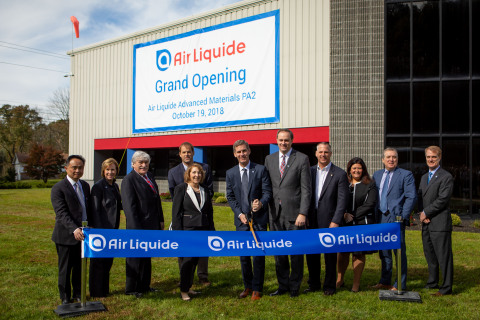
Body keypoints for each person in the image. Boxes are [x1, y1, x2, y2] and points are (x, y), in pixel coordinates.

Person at [264, 129, 311, 298]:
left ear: (292, 141)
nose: (283, 143)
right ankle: (282, 285)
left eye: (286, 140)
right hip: (275, 214)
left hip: (295, 215)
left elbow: (306, 189)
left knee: (296, 253)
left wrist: (303, 213)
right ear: (276, 140)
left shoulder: (302, 158)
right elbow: (268, 186)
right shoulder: (269, 159)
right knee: (279, 253)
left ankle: (294, 287)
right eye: (281, 140)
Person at [226, 140, 272, 301]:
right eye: (238, 152)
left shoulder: (260, 170)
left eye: (244, 151)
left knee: (258, 255)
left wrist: (261, 203)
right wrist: (239, 214)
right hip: (241, 221)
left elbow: (267, 192)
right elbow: (230, 197)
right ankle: (248, 286)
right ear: (234, 154)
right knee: (244, 256)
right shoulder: (230, 173)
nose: (242, 154)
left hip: (258, 220)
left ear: (249, 151)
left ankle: (257, 289)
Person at [304, 142, 349, 296]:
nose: (323, 155)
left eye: (326, 152)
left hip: (330, 222)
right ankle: (314, 283)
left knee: (330, 256)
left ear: (331, 154)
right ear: (316, 154)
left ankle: (329, 286)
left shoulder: (340, 174)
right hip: (311, 220)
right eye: (320, 152)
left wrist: (336, 221)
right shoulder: (308, 172)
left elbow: (342, 201)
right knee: (311, 254)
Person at [168, 142, 213, 286]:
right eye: (184, 152)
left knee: (202, 248)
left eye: (189, 152)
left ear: (193, 153)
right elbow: (174, 195)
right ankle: (185, 279)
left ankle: (202, 276)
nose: (187, 154)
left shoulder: (204, 168)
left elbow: (209, 190)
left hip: (202, 217)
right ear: (180, 154)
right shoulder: (173, 172)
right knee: (185, 250)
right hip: (185, 219)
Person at [372, 147, 417, 291]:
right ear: (383, 160)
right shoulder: (377, 175)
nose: (391, 160)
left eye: (394, 157)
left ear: (397, 159)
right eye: (388, 157)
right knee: (384, 252)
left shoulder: (405, 175)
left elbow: (412, 196)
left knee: (399, 252)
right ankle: (385, 281)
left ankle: (400, 284)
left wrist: (403, 216)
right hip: (380, 217)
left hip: (396, 218)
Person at [121, 151, 164, 298]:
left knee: (146, 257)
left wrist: (161, 220)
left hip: (151, 224)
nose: (144, 165)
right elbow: (129, 207)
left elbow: (157, 200)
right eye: (140, 162)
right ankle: (132, 289)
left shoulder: (149, 177)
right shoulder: (129, 180)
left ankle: (145, 286)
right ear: (133, 164)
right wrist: (135, 229)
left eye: (146, 162)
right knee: (135, 258)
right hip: (137, 226)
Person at [171, 163, 215, 301]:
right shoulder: (181, 189)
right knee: (187, 261)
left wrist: (211, 231)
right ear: (189, 174)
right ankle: (183, 291)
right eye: (194, 172)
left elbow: (210, 213)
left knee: (195, 260)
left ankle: (189, 287)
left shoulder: (205, 190)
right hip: (187, 231)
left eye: (199, 173)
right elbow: (176, 213)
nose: (197, 175)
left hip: (202, 230)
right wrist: (178, 233)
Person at [51, 155, 90, 305]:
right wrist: (74, 229)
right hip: (66, 236)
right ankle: (65, 297)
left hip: (84, 235)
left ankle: (79, 294)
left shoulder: (85, 186)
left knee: (79, 267)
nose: (77, 170)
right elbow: (61, 213)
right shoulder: (58, 188)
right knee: (66, 269)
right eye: (74, 167)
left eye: (80, 167)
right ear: (66, 168)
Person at [336, 157, 377, 293]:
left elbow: (370, 203)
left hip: (361, 223)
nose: (356, 170)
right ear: (349, 170)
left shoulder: (369, 184)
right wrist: (344, 214)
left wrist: (352, 214)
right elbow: (337, 200)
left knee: (358, 254)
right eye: (354, 168)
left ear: (363, 169)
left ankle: (356, 283)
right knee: (342, 253)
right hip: (345, 223)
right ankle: (340, 279)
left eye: (359, 168)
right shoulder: (344, 183)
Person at [418, 146, 454, 296]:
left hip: (439, 223)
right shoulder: (423, 177)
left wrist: (427, 212)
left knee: (443, 256)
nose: (430, 160)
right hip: (426, 222)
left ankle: (446, 287)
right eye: (428, 157)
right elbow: (421, 197)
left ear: (439, 158)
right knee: (430, 255)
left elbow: (443, 200)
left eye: (433, 157)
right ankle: (433, 282)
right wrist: (422, 213)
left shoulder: (446, 177)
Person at [89, 158, 122, 298]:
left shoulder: (115, 186)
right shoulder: (98, 186)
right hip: (101, 229)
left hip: (112, 229)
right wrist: (99, 230)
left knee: (108, 261)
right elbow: (95, 210)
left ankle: (104, 289)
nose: (110, 172)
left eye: (113, 169)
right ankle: (96, 291)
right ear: (103, 171)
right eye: (107, 169)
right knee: (98, 262)